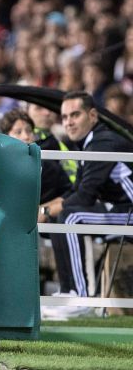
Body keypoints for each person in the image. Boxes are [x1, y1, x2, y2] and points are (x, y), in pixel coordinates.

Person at [39, 92, 133, 312]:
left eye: (75, 115)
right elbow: (76, 190)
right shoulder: (87, 143)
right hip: (120, 209)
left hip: (129, 211)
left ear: (92, 115)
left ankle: (80, 297)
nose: (68, 122)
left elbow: (84, 197)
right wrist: (46, 209)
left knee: (71, 216)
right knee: (60, 215)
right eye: (64, 117)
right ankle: (67, 291)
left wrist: (46, 209)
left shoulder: (103, 143)